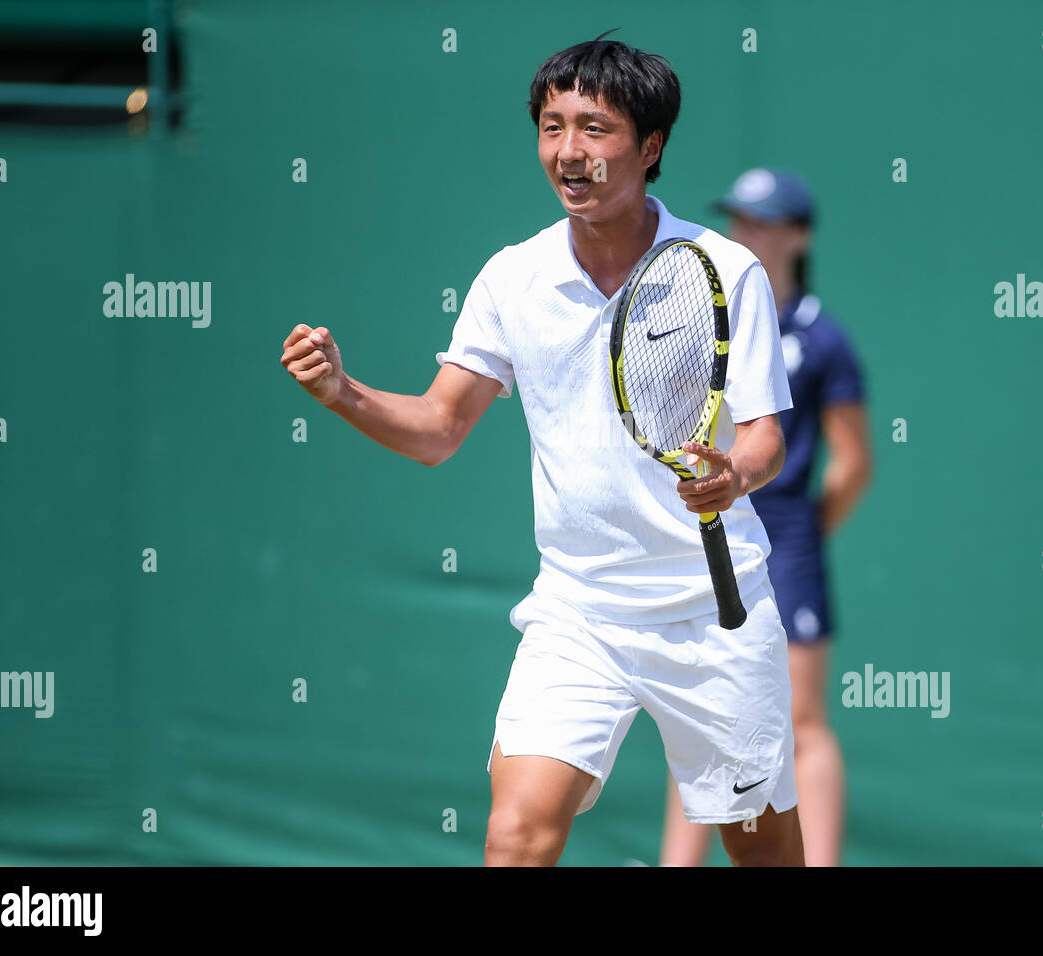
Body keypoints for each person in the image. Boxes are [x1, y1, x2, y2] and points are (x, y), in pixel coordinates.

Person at [280, 37, 805, 866]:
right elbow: (438, 429)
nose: (570, 152)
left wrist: (735, 473)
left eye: (595, 129)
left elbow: (766, 434)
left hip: (713, 611)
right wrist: (343, 393)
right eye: (553, 127)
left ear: (650, 146)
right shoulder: (511, 279)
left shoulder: (723, 268)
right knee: (516, 835)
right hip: (577, 615)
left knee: (763, 853)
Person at [660, 168, 872, 867]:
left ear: (799, 237)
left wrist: (805, 535)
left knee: (803, 722)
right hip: (702, 529)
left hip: (785, 537)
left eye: (763, 222)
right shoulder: (699, 326)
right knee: (700, 711)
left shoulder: (825, 340)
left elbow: (852, 462)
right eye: (738, 220)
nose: (745, 234)